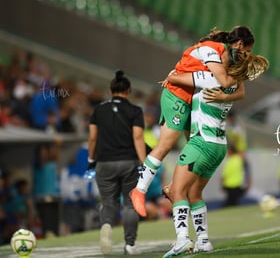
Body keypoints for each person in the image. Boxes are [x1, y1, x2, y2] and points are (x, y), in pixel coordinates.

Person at [130, 25, 256, 217]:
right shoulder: (214, 51)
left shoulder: (220, 53)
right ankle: (139, 190)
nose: (247, 55)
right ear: (239, 44)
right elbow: (223, 81)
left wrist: (224, 95)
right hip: (177, 96)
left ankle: (175, 187)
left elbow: (238, 90)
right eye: (248, 50)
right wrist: (239, 76)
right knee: (165, 145)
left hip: (186, 96)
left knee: (194, 144)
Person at [161, 50, 269, 257]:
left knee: (176, 191)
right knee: (193, 194)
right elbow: (240, 88)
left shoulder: (210, 79)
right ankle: (203, 241)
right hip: (218, 145)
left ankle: (183, 239)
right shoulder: (233, 83)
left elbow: (173, 77)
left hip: (202, 142)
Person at [87, 70, 146, 255]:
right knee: (129, 204)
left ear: (110, 90)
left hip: (104, 163)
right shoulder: (135, 111)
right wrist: (144, 163)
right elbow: (138, 137)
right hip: (128, 162)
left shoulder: (98, 109)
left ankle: (106, 225)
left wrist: (91, 160)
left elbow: (92, 137)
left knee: (108, 202)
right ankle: (130, 244)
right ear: (128, 90)